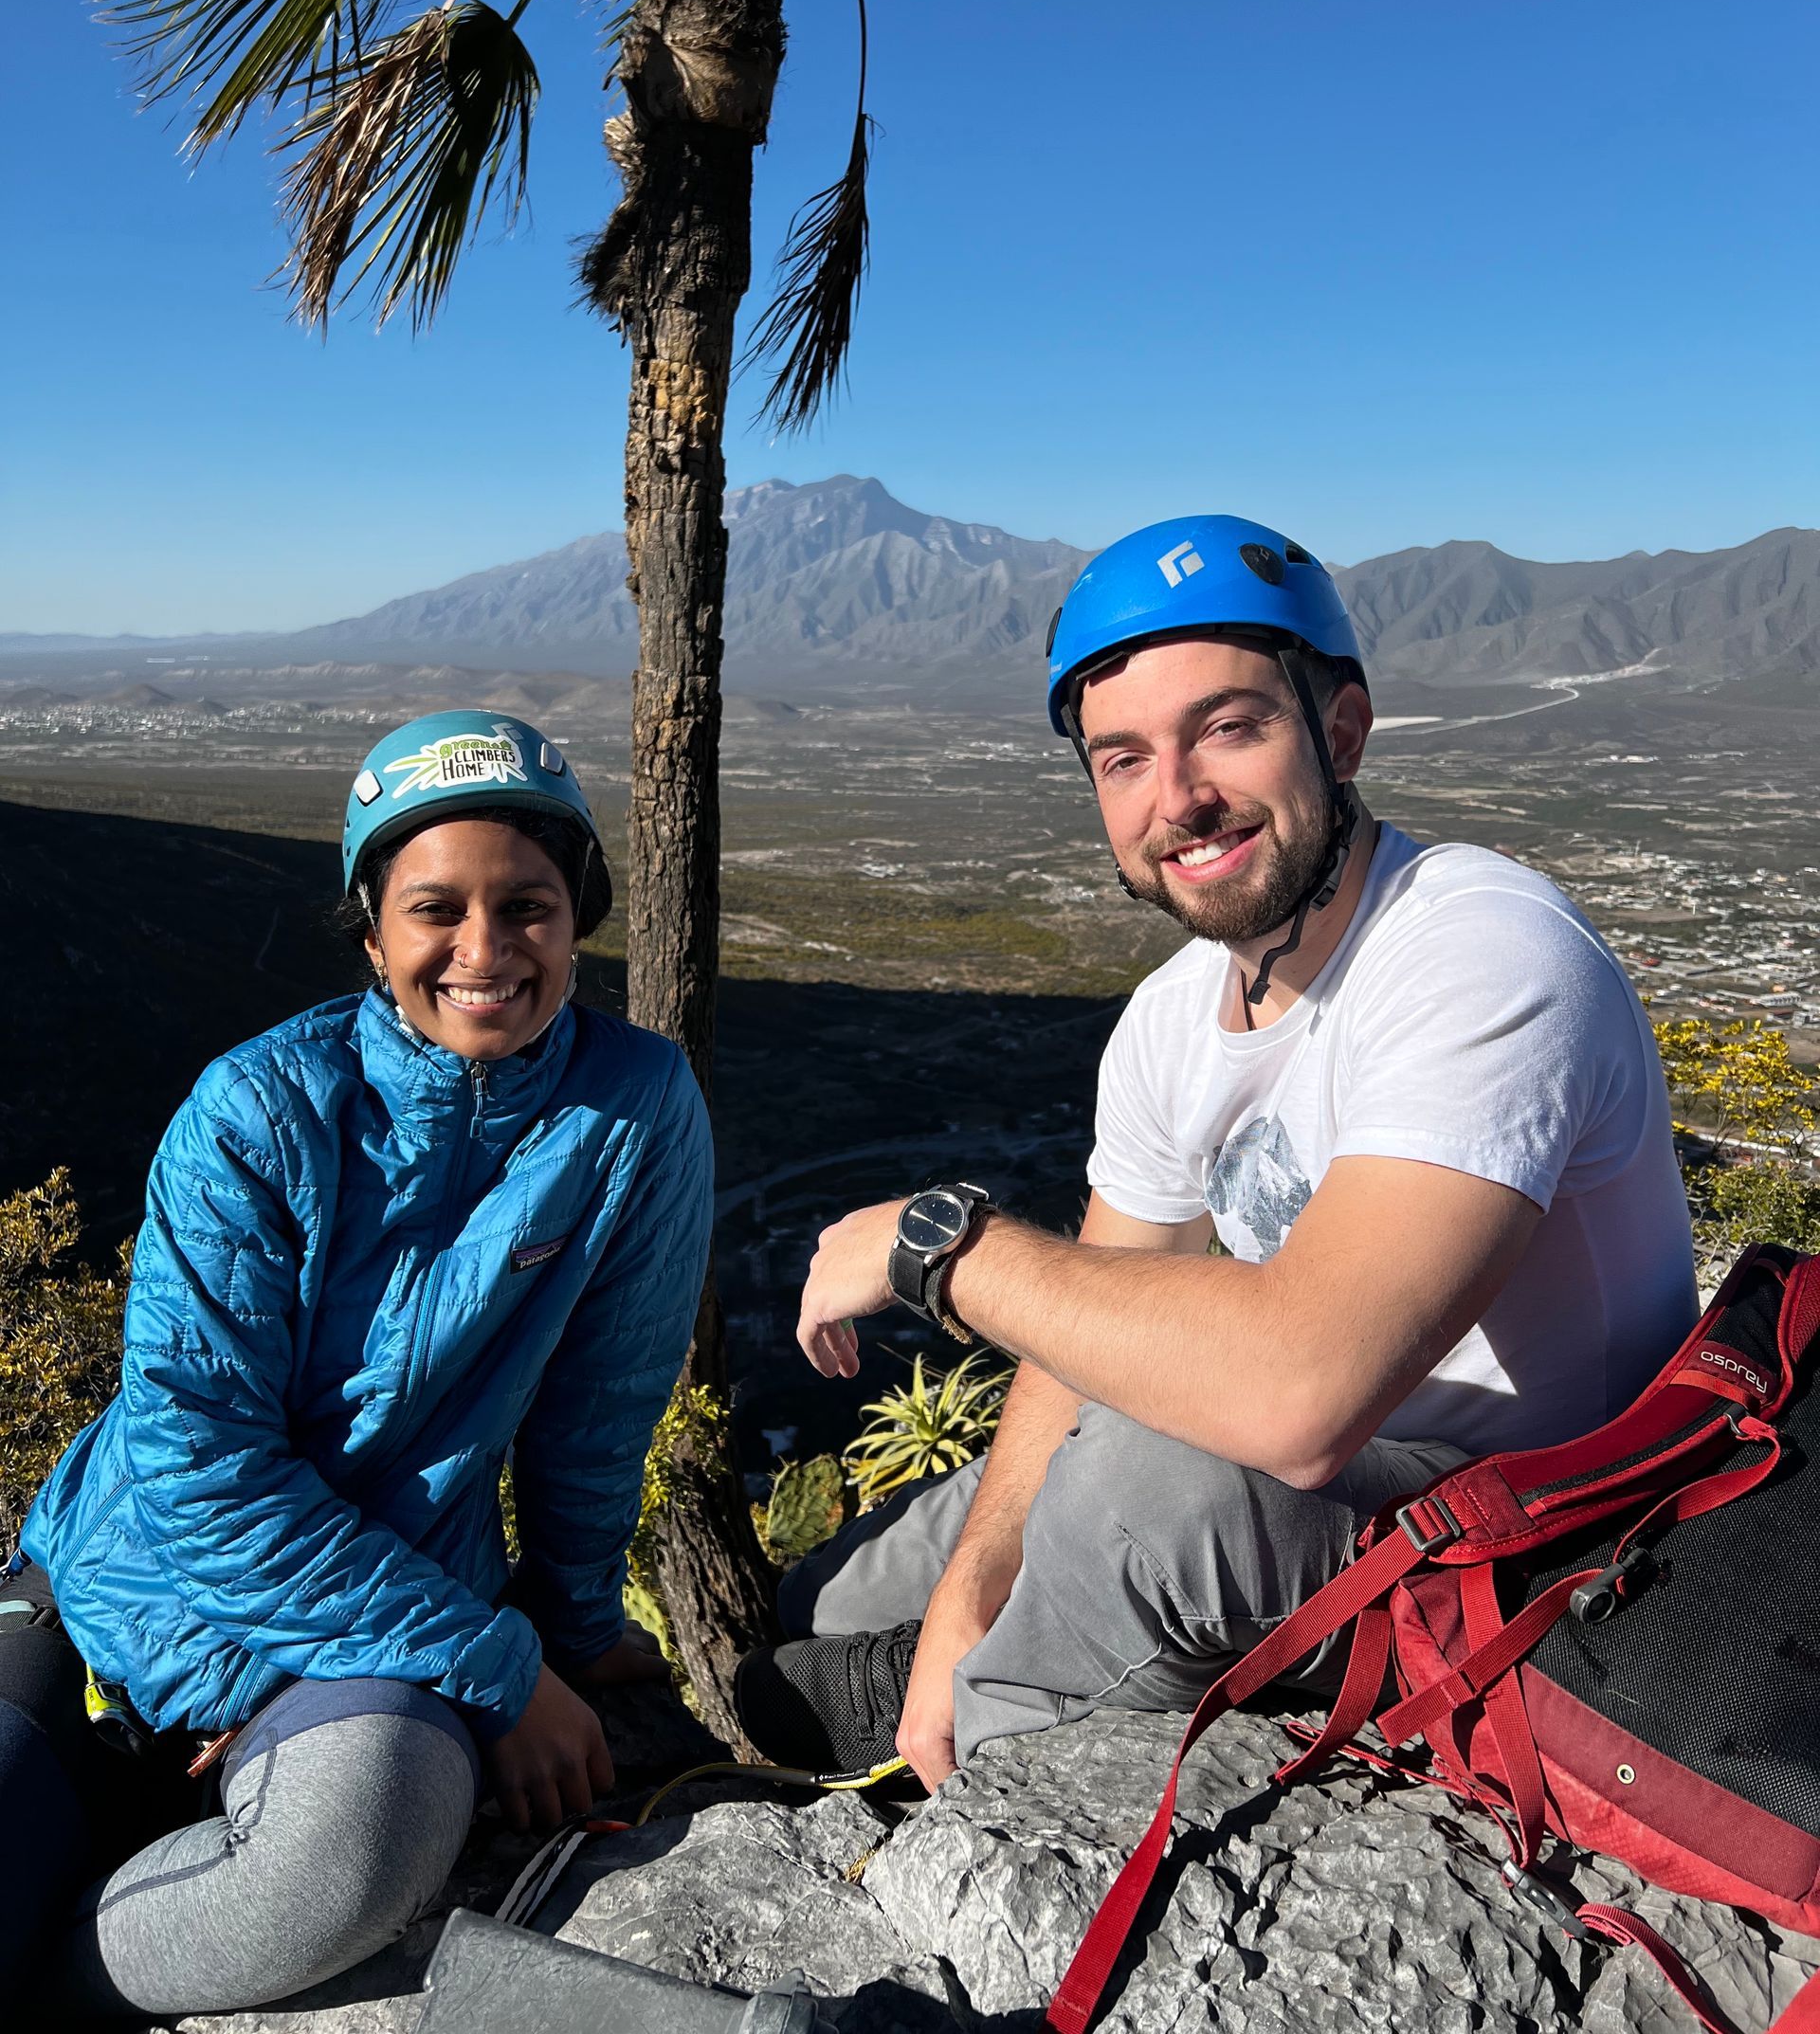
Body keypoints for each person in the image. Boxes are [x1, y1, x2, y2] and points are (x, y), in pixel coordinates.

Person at [735, 515, 1698, 1794]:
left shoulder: (1483, 951)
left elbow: (1301, 1394)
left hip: (1528, 1533)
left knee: (1154, 1483)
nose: (1176, 798)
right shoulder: (1173, 1018)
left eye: (1231, 728)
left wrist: (944, 1249)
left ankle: (983, 1810)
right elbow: (1095, 1313)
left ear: (1341, 733)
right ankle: (905, 1653)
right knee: (851, 1593)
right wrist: (978, 1576)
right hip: (1334, 1492)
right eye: (1122, 757)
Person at [0, 708, 713, 2018]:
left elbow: (598, 1413)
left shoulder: (634, 1108)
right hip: (112, 1607)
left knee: (358, 1840)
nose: (486, 950)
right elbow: (199, 1466)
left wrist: (576, 1634)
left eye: (531, 906)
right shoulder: (261, 1110)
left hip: (371, 1653)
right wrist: (498, 1671)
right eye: (436, 908)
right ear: (372, 930)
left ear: (579, 920)